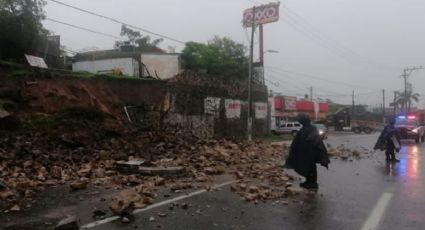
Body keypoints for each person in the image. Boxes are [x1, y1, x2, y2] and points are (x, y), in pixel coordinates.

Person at [285, 114, 330, 189]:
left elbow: (313, 140)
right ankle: (308, 182)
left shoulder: (311, 128)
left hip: (310, 153)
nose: (300, 123)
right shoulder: (305, 129)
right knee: (306, 167)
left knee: (310, 168)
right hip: (305, 153)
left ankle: (312, 183)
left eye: (301, 121)